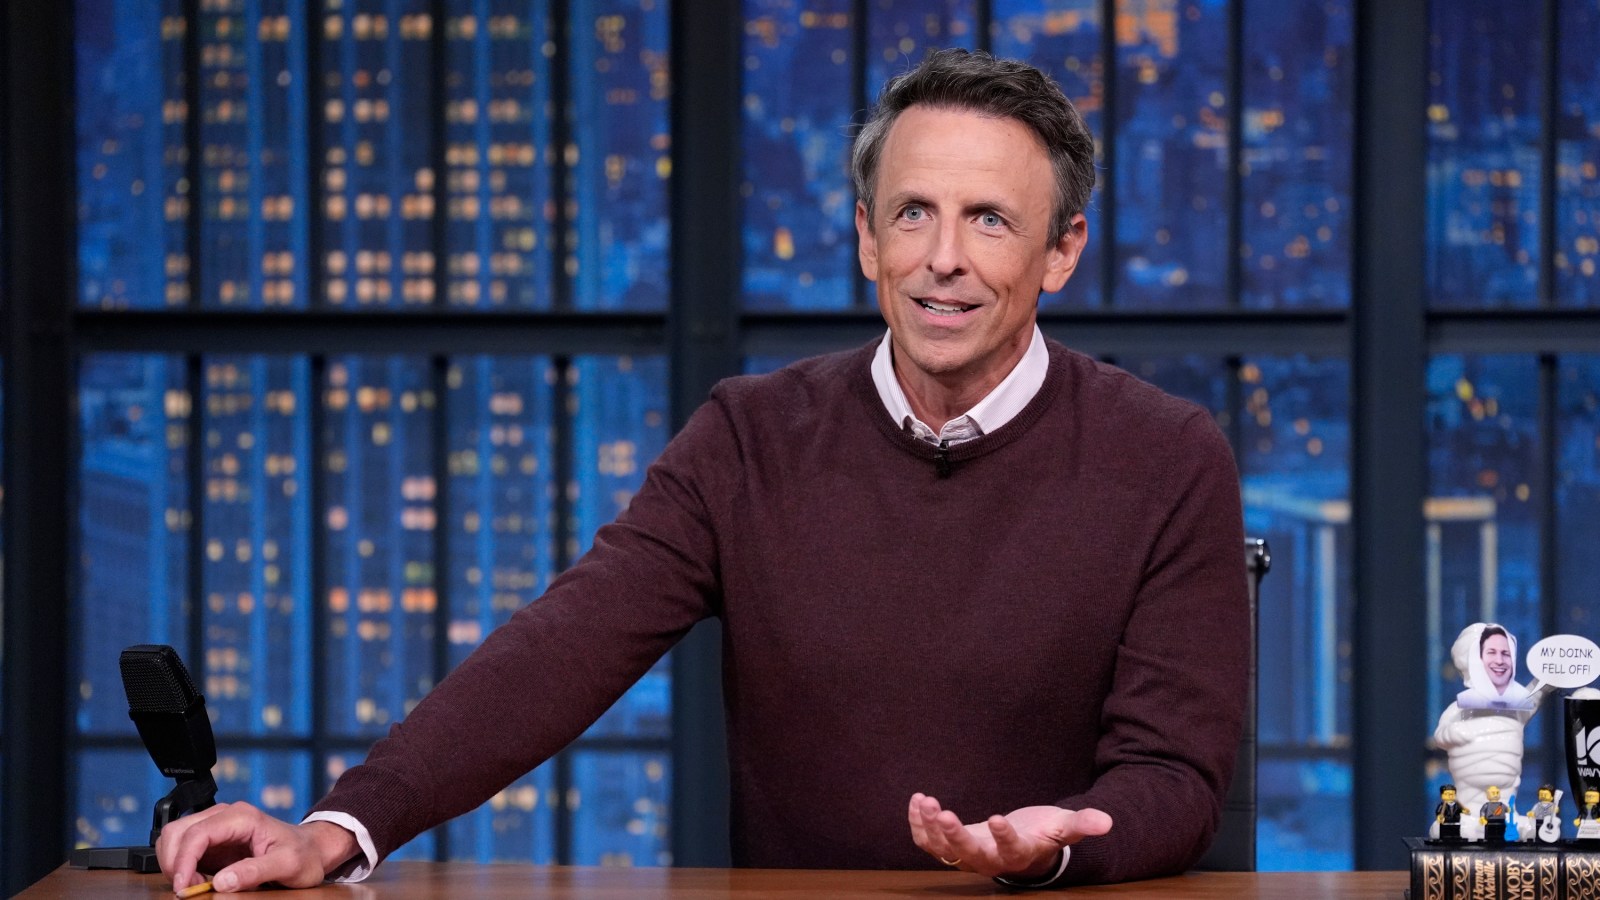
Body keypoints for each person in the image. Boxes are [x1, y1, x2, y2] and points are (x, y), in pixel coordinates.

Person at [156, 48, 1248, 894]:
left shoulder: (1166, 455)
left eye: (990, 221)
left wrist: (1054, 850)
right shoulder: (749, 437)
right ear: (866, 237)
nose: (943, 258)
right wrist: (341, 828)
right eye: (913, 213)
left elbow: (1174, 776)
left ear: (1061, 251)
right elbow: (565, 647)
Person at [1434, 622, 1550, 840]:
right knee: (1462, 824)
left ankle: (1509, 821)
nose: (1499, 660)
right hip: (1468, 792)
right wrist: (1454, 732)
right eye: (1491, 652)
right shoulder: (1460, 708)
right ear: (1472, 659)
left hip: (1507, 792)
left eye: (1505, 653)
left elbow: (1535, 695)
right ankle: (1466, 822)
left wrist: (1548, 679)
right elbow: (1441, 734)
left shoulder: (1516, 708)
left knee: (1509, 816)